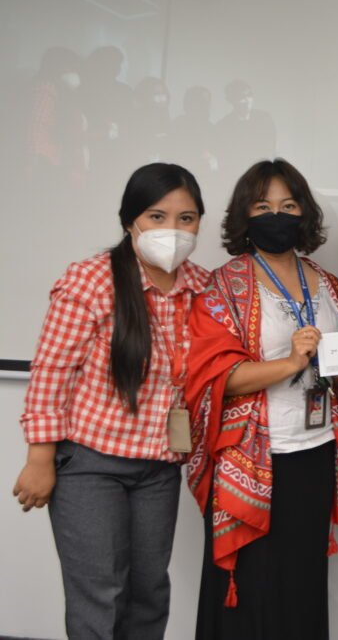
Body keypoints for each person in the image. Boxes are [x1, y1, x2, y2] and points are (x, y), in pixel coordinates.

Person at [13, 163, 209, 639]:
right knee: (101, 593)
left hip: (159, 468)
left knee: (149, 593)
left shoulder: (203, 286)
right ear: (129, 220)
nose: (173, 230)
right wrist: (40, 459)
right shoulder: (91, 280)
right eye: (157, 216)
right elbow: (52, 371)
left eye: (186, 218)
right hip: (90, 464)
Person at [185, 159, 338, 640]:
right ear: (245, 215)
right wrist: (288, 362)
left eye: (288, 205)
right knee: (250, 586)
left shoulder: (328, 284)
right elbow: (215, 378)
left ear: (305, 213)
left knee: (303, 583)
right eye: (263, 207)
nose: (277, 215)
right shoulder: (222, 286)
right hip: (251, 457)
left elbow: (334, 369)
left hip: (315, 451)